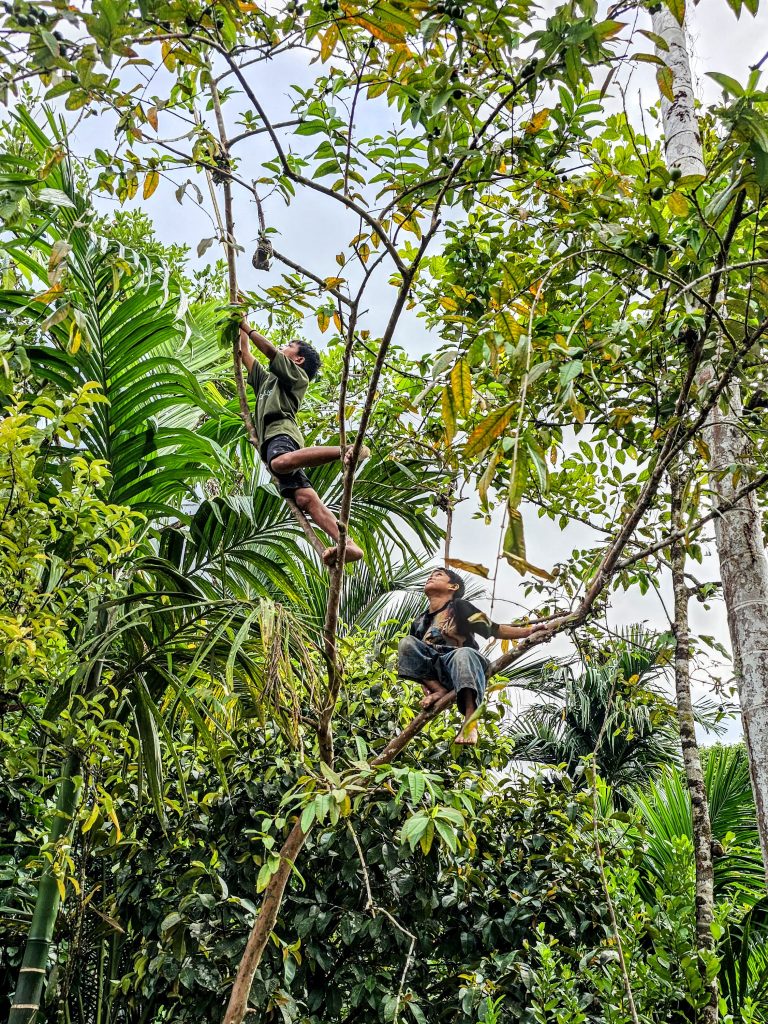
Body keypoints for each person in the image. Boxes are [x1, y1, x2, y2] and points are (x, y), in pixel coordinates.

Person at [238, 311, 369, 566]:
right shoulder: (267, 381)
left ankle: (345, 450)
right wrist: (239, 320)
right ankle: (349, 545)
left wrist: (247, 327)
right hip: (270, 441)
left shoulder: (298, 378)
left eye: (289, 346)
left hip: (281, 433)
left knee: (279, 463)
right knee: (305, 499)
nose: (282, 347)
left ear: (298, 359)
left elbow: (268, 351)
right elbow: (245, 354)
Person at [398, 568, 561, 745]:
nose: (431, 577)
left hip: (464, 665)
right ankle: (439, 690)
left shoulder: (460, 606)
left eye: (438, 575)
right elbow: (416, 659)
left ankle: (470, 723)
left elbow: (494, 629)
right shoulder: (419, 621)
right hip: (438, 672)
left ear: (453, 586)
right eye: (431, 575)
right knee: (407, 642)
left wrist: (529, 631)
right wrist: (427, 685)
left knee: (463, 654)